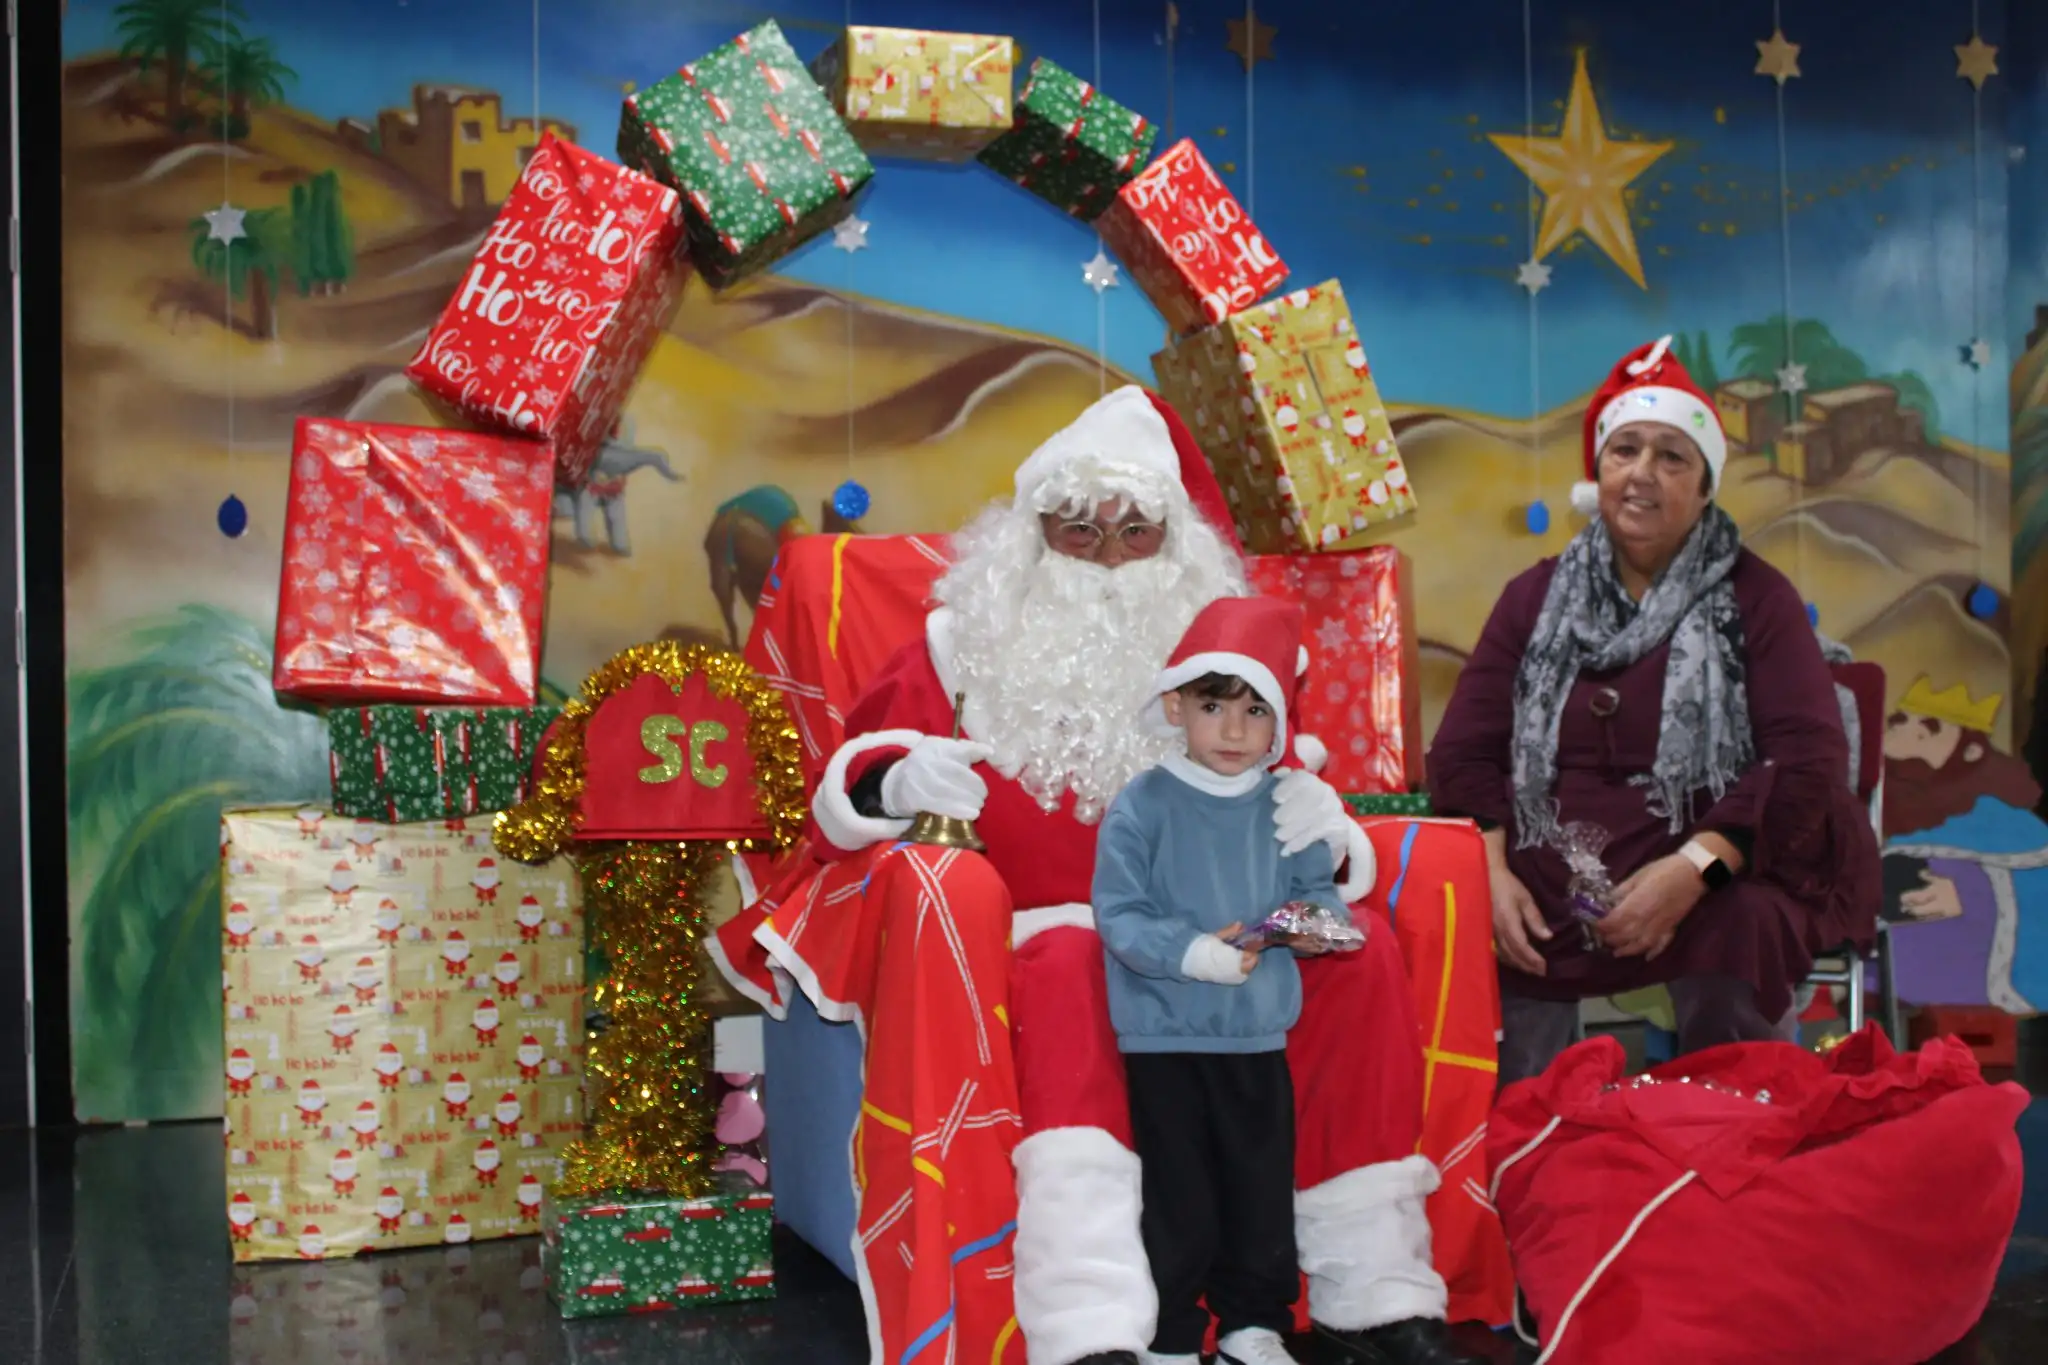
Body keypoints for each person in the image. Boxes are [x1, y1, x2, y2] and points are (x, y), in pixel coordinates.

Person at [714, 385, 1482, 1365]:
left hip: (1228, 929)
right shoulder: (958, 650)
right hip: (1051, 936)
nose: (1110, 557)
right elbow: (848, 779)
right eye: (1079, 530)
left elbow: (1287, 782)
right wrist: (896, 778)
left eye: (1135, 531)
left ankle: (1367, 1291)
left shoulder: (1218, 661)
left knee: (1354, 948)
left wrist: (1326, 835)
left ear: (1173, 542)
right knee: (1074, 958)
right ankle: (1090, 1320)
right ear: (1032, 538)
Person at [1427, 336, 1879, 1086]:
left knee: (1744, 919)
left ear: (1705, 488)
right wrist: (1490, 869)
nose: (1642, 473)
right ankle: (1526, 1136)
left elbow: (1807, 761)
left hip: (1715, 860)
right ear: (1598, 472)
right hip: (1557, 862)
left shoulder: (1758, 599)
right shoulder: (1533, 598)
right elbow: (1466, 749)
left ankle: (1735, 1129)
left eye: (1672, 457)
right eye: (1625, 450)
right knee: (1487, 919)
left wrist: (1696, 869)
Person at [1094, 597, 1353, 1365]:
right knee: (1178, 1197)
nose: (1235, 730)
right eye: (1214, 706)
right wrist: (1195, 952)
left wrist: (1304, 928)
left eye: (1255, 710)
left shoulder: (1288, 806)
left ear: (1279, 720)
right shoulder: (1143, 804)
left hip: (1256, 1037)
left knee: (1259, 1191)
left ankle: (1252, 1324)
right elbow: (1120, 913)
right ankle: (1172, 1334)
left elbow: (1324, 902)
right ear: (1176, 706)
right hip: (1165, 1039)